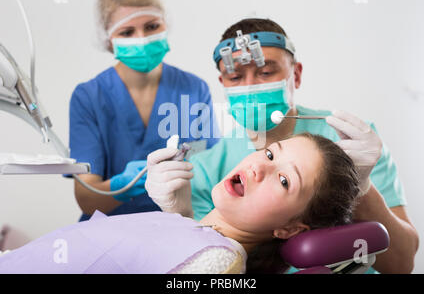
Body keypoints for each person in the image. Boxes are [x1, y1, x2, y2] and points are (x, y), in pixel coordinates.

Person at [147, 18, 419, 273]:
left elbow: (402, 264)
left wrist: (362, 188)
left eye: (265, 71)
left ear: (296, 75)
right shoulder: (206, 171)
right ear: (223, 84)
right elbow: (208, 267)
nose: (250, 86)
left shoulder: (355, 145)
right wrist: (179, 217)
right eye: (235, 77)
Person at [0, 134, 360, 274]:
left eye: (284, 180)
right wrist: (181, 216)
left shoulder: (218, 263)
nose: (260, 165)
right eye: (269, 152)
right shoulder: (197, 236)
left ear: (291, 229)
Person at [67, 0, 220, 221]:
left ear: (165, 23)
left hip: (179, 227)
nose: (142, 38)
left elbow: (211, 175)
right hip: (109, 233)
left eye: (151, 26)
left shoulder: (194, 89)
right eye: (127, 32)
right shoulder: (89, 97)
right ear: (108, 41)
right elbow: (87, 199)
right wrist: (127, 184)